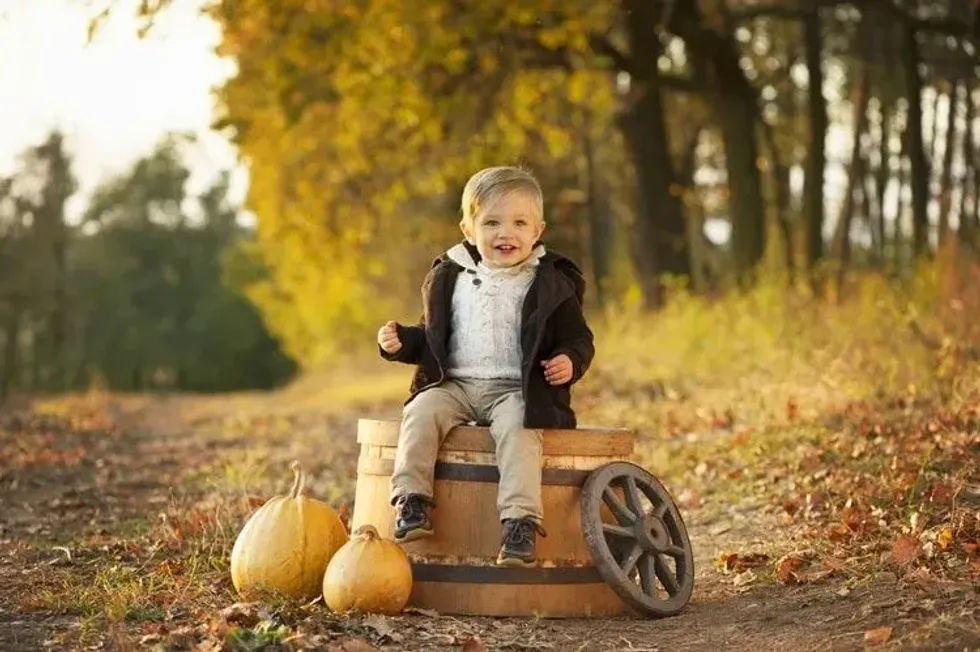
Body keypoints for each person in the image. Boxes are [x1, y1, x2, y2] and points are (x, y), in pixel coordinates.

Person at [377, 165, 594, 567]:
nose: (504, 233)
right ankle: (411, 500)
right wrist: (400, 342)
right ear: (467, 228)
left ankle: (520, 522)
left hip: (516, 389)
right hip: (455, 385)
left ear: (538, 230)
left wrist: (569, 360)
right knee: (420, 411)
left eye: (518, 223)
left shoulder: (550, 282)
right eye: (491, 222)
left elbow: (578, 338)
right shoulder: (449, 276)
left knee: (519, 429)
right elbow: (431, 337)